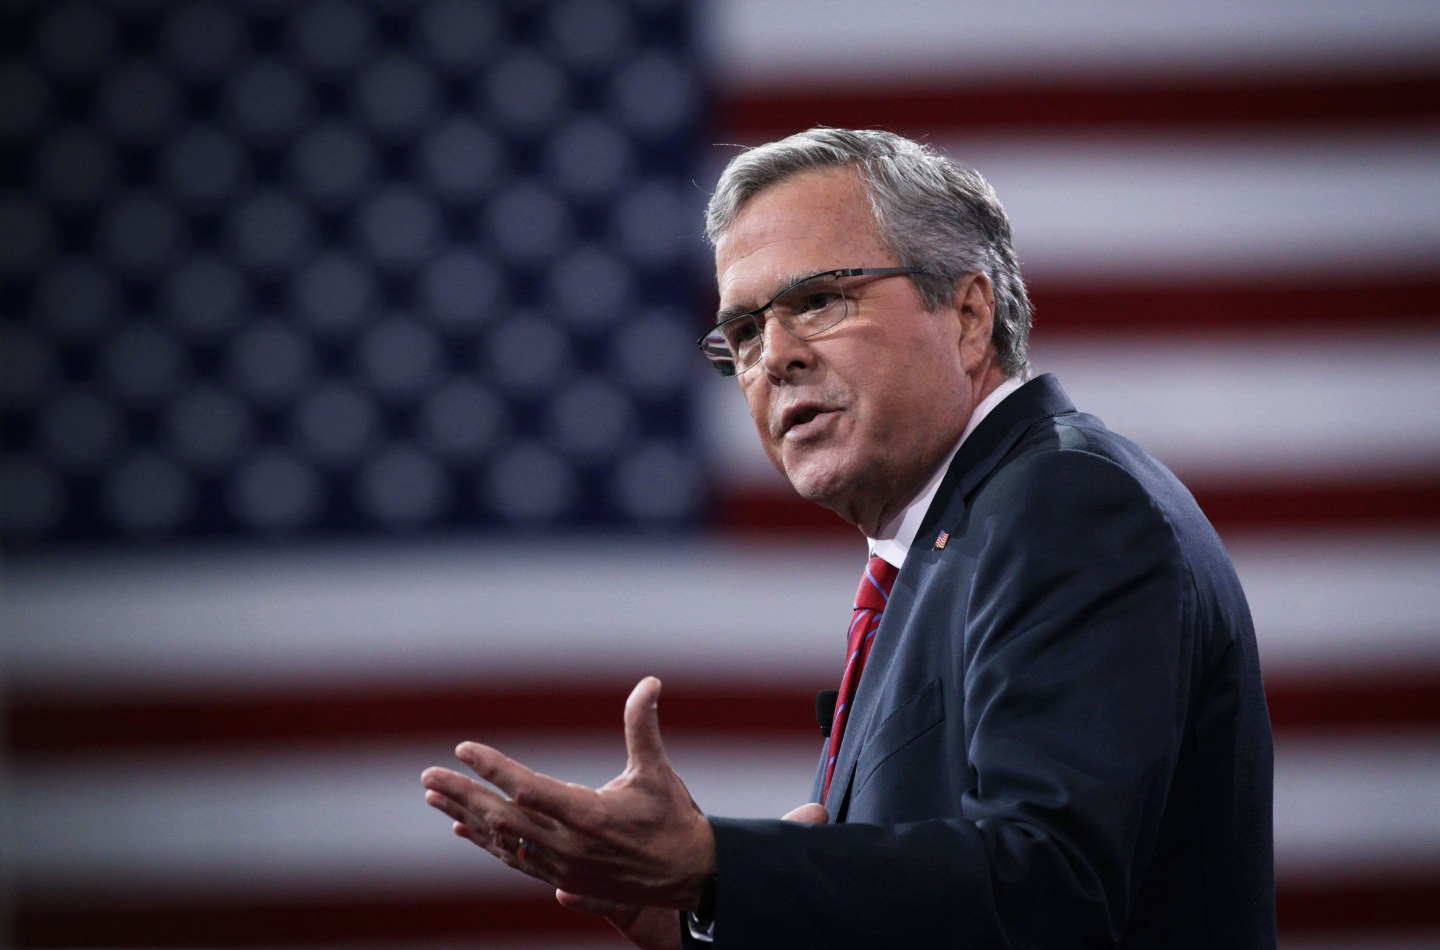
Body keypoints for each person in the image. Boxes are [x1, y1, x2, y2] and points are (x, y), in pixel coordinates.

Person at [421, 128, 1276, 948]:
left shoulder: (1066, 504)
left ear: (969, 313)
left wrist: (721, 863)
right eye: (746, 331)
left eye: (819, 300)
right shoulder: (944, 542)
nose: (775, 357)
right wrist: (704, 916)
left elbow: (1052, 889)